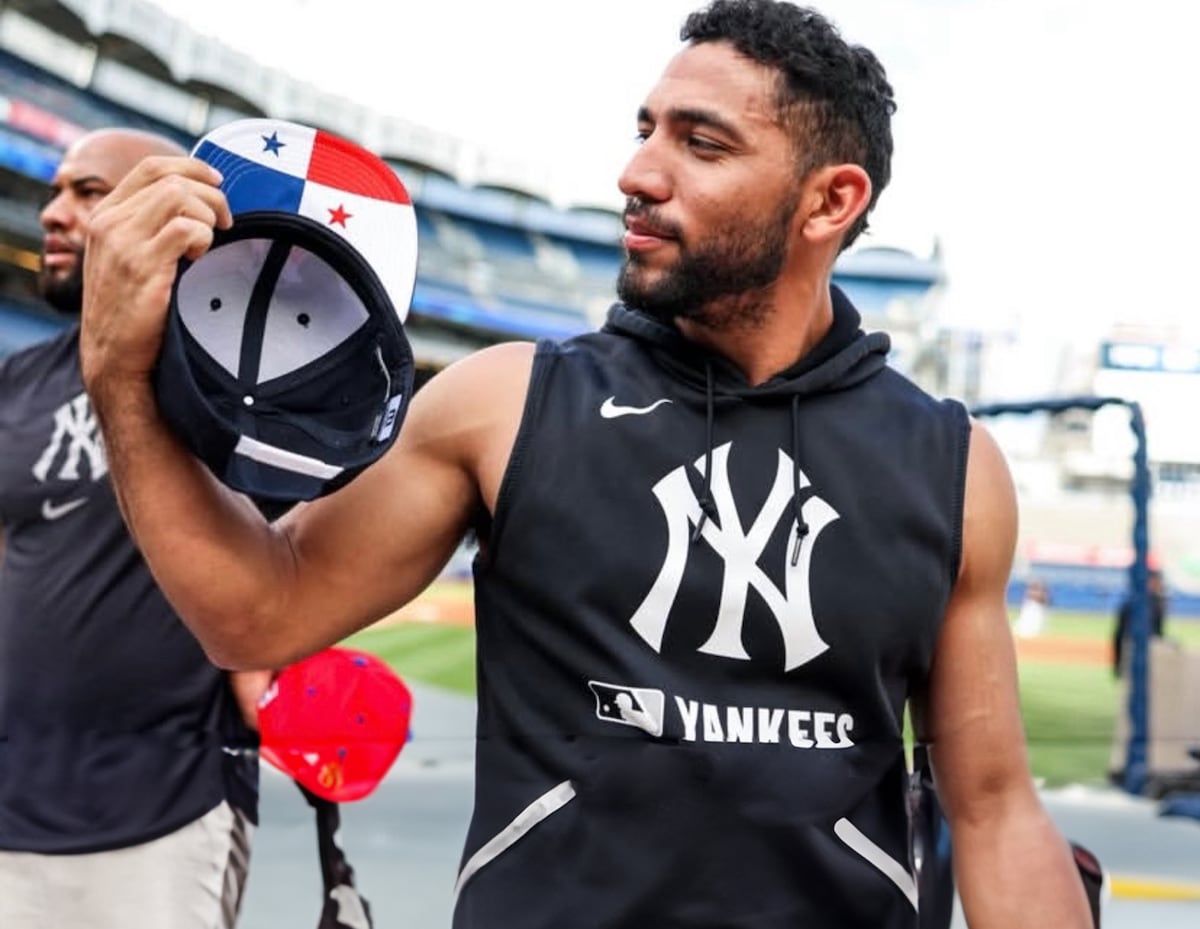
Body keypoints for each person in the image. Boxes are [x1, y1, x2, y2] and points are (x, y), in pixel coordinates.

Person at [76, 2, 1094, 926]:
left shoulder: (952, 465)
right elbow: (257, 608)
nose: (639, 173)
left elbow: (996, 808)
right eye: (645, 129)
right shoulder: (504, 402)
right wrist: (121, 377)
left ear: (829, 202)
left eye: (700, 143)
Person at [0, 127, 271, 929]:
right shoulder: (14, 382)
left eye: (88, 193)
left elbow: (276, 582)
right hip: (11, 809)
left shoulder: (231, 378)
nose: (54, 213)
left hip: (165, 811)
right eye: (56, 191)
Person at [1112, 568, 1167, 678]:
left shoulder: (1158, 603)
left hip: (1150, 654)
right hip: (1134, 651)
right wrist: (1118, 662)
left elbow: (1158, 633)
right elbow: (1119, 634)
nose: (1158, 585)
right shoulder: (1132, 603)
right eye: (1155, 581)